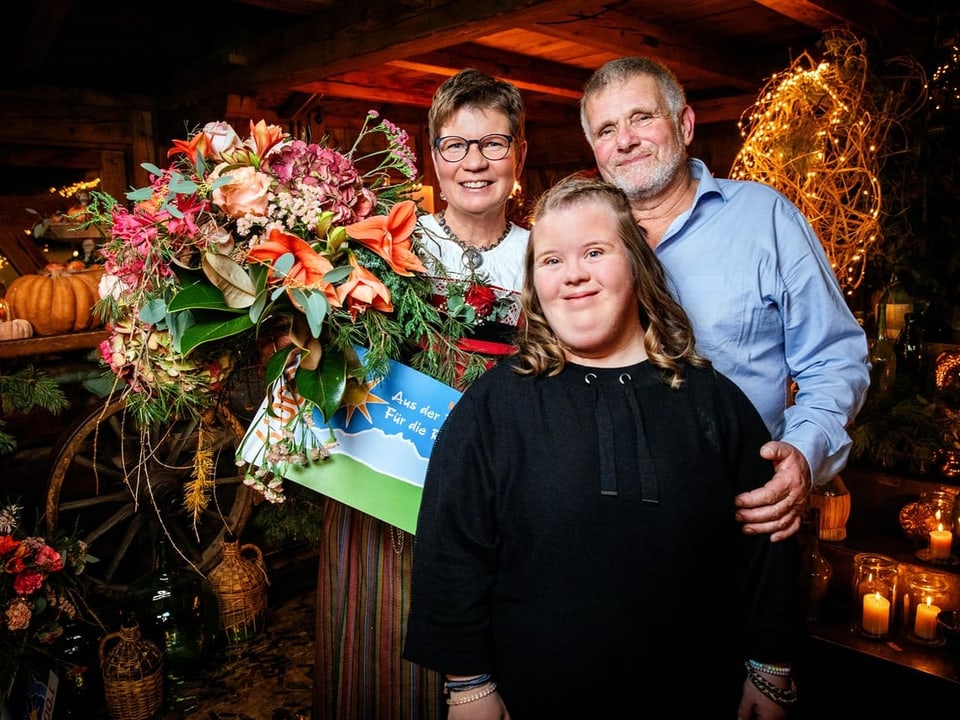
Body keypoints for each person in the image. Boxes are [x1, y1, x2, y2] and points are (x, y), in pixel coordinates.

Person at [404, 175, 804, 719]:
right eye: (551, 261)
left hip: (700, 696)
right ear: (534, 284)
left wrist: (771, 669)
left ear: (636, 263)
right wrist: (469, 685)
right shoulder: (494, 406)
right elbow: (451, 550)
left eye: (595, 251)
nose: (574, 276)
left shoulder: (712, 400)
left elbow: (767, 546)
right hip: (536, 698)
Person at [579, 56, 871, 541]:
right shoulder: (581, 240)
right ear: (595, 148)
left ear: (685, 124)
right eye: (606, 129)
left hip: (742, 512)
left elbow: (834, 360)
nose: (625, 140)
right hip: (610, 519)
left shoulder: (765, 219)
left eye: (642, 117)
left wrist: (802, 452)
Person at [314, 68, 529, 720]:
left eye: (493, 143)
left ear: (520, 154)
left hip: (501, 502)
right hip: (386, 502)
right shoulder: (387, 244)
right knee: (383, 662)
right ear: (433, 157)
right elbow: (330, 360)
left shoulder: (546, 253)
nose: (474, 162)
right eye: (454, 145)